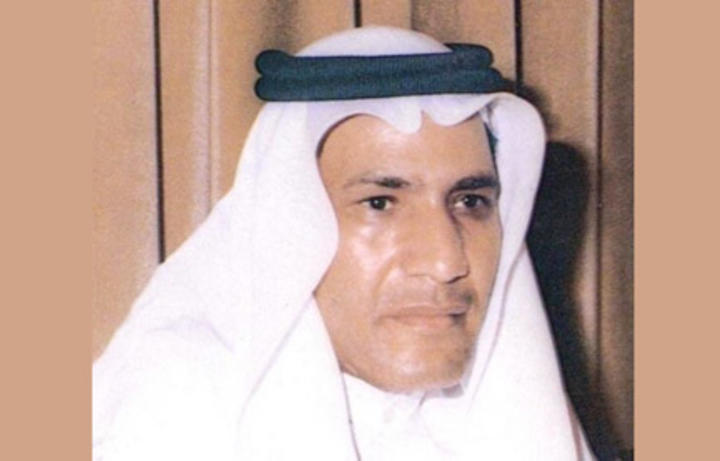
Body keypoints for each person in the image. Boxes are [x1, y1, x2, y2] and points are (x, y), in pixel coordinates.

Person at [92, 26, 595, 460]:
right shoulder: (166, 425)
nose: (445, 260)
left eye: (470, 202)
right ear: (287, 226)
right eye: (380, 203)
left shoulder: (515, 420)